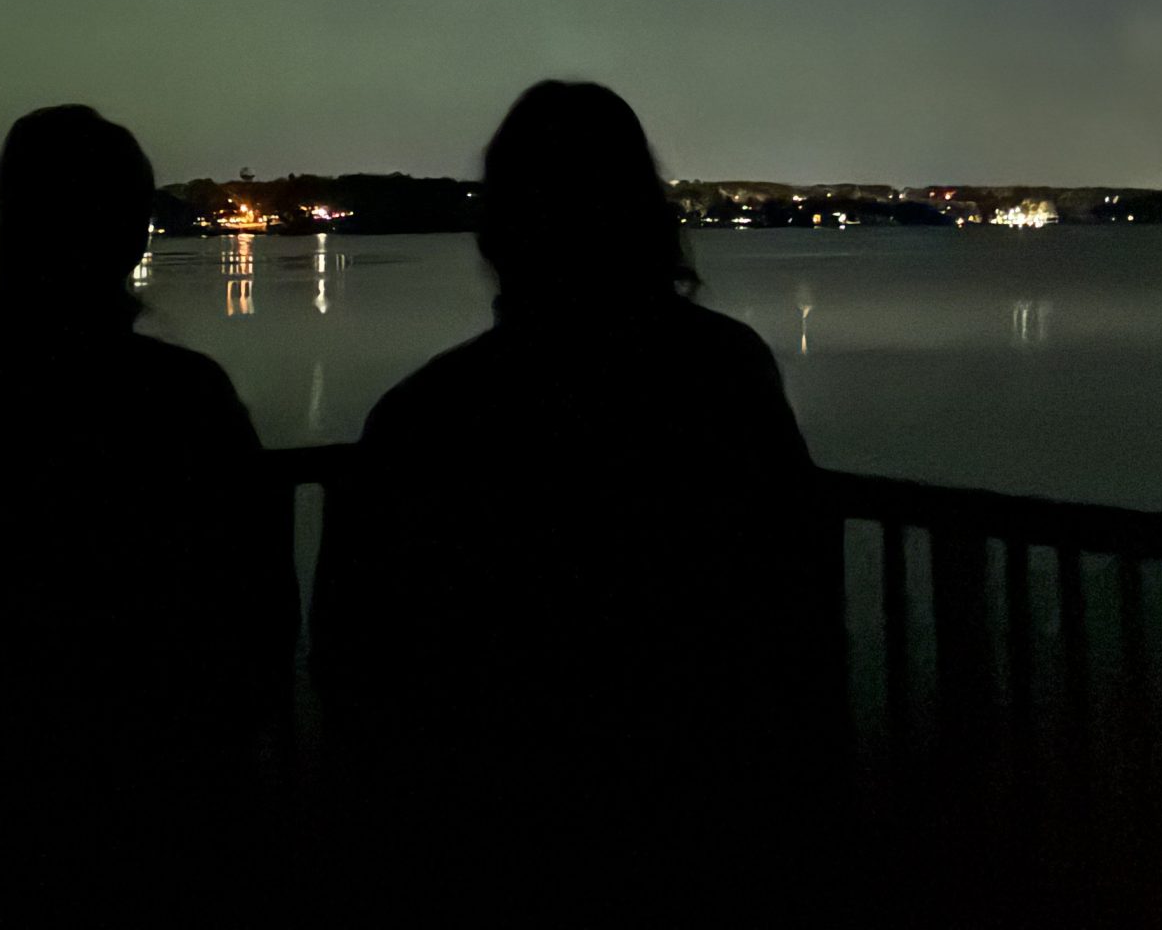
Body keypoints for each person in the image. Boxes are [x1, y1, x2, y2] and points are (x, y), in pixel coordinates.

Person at [311, 80, 852, 906]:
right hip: (709, 823)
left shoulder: (427, 416)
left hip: (483, 837)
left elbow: (356, 658)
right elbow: (797, 601)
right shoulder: (723, 375)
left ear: (500, 229)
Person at [0, 105, 295, 902]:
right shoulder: (189, 404)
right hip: (170, 823)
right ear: (130, 239)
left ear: (4, 230)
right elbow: (260, 618)